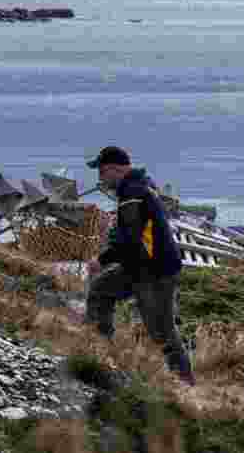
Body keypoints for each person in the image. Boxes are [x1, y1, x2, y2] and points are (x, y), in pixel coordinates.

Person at [84, 146, 195, 385]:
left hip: (155, 272)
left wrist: (101, 260)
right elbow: (127, 235)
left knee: (161, 332)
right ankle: (101, 351)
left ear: (115, 169)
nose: (100, 179)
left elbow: (130, 239)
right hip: (140, 267)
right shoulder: (136, 188)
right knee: (100, 290)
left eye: (102, 172)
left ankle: (186, 382)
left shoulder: (133, 193)